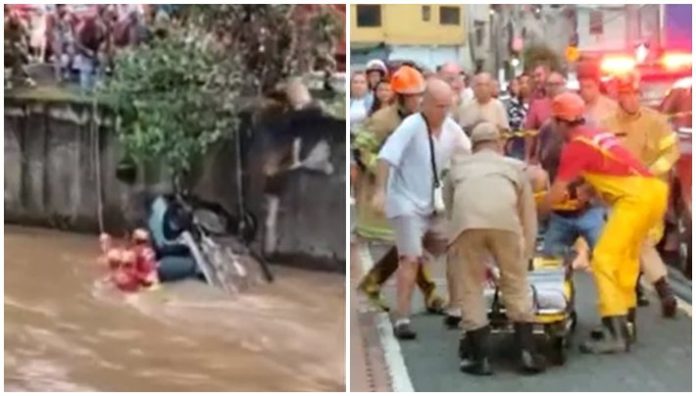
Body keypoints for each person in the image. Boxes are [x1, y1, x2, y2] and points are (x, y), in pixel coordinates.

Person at [540, 92, 668, 354]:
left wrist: (535, 210)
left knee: (604, 260)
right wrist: (588, 191)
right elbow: (611, 170)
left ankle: (616, 333)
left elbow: (555, 193)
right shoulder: (597, 135)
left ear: (559, 122)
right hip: (652, 192)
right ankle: (625, 322)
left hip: (634, 200)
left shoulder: (575, 146)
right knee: (626, 260)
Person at [372, 79, 472, 339]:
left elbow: (470, 155)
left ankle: (455, 307)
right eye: (439, 106)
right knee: (410, 258)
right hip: (404, 201)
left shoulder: (452, 129)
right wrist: (380, 191)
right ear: (424, 104)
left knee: (457, 247)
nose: (444, 111)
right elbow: (385, 158)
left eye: (448, 106)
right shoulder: (410, 126)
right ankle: (402, 316)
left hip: (434, 204)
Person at [445, 122, 544, 375]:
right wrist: (526, 255)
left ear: (473, 145)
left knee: (470, 286)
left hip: (466, 226)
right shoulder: (514, 169)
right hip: (506, 226)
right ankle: (527, 353)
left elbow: (450, 209)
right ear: (500, 144)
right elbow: (528, 218)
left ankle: (480, 357)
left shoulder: (457, 170)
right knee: (516, 284)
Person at [354, 66, 445, 313]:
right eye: (415, 95)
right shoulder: (382, 120)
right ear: (402, 96)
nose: (419, 99)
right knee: (409, 243)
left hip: (419, 189)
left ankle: (376, 284)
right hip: (391, 191)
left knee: (412, 243)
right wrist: (383, 170)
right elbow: (360, 149)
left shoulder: (424, 120)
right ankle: (428, 292)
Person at [601, 71, 679, 317]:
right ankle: (660, 290)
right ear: (618, 96)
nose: (632, 99)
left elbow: (672, 153)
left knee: (638, 242)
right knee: (636, 241)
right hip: (621, 194)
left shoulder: (657, 121)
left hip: (651, 191)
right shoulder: (608, 125)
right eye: (626, 94)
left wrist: (650, 172)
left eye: (635, 93)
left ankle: (638, 291)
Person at [526, 71, 567, 164]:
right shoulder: (537, 105)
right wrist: (528, 156)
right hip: (543, 156)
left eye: (557, 84)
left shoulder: (571, 104)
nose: (553, 88)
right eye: (550, 84)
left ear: (563, 85)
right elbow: (529, 133)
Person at [504, 75, 532, 159]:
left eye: (527, 82)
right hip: (517, 145)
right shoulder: (510, 105)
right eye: (521, 83)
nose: (524, 85)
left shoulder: (537, 103)